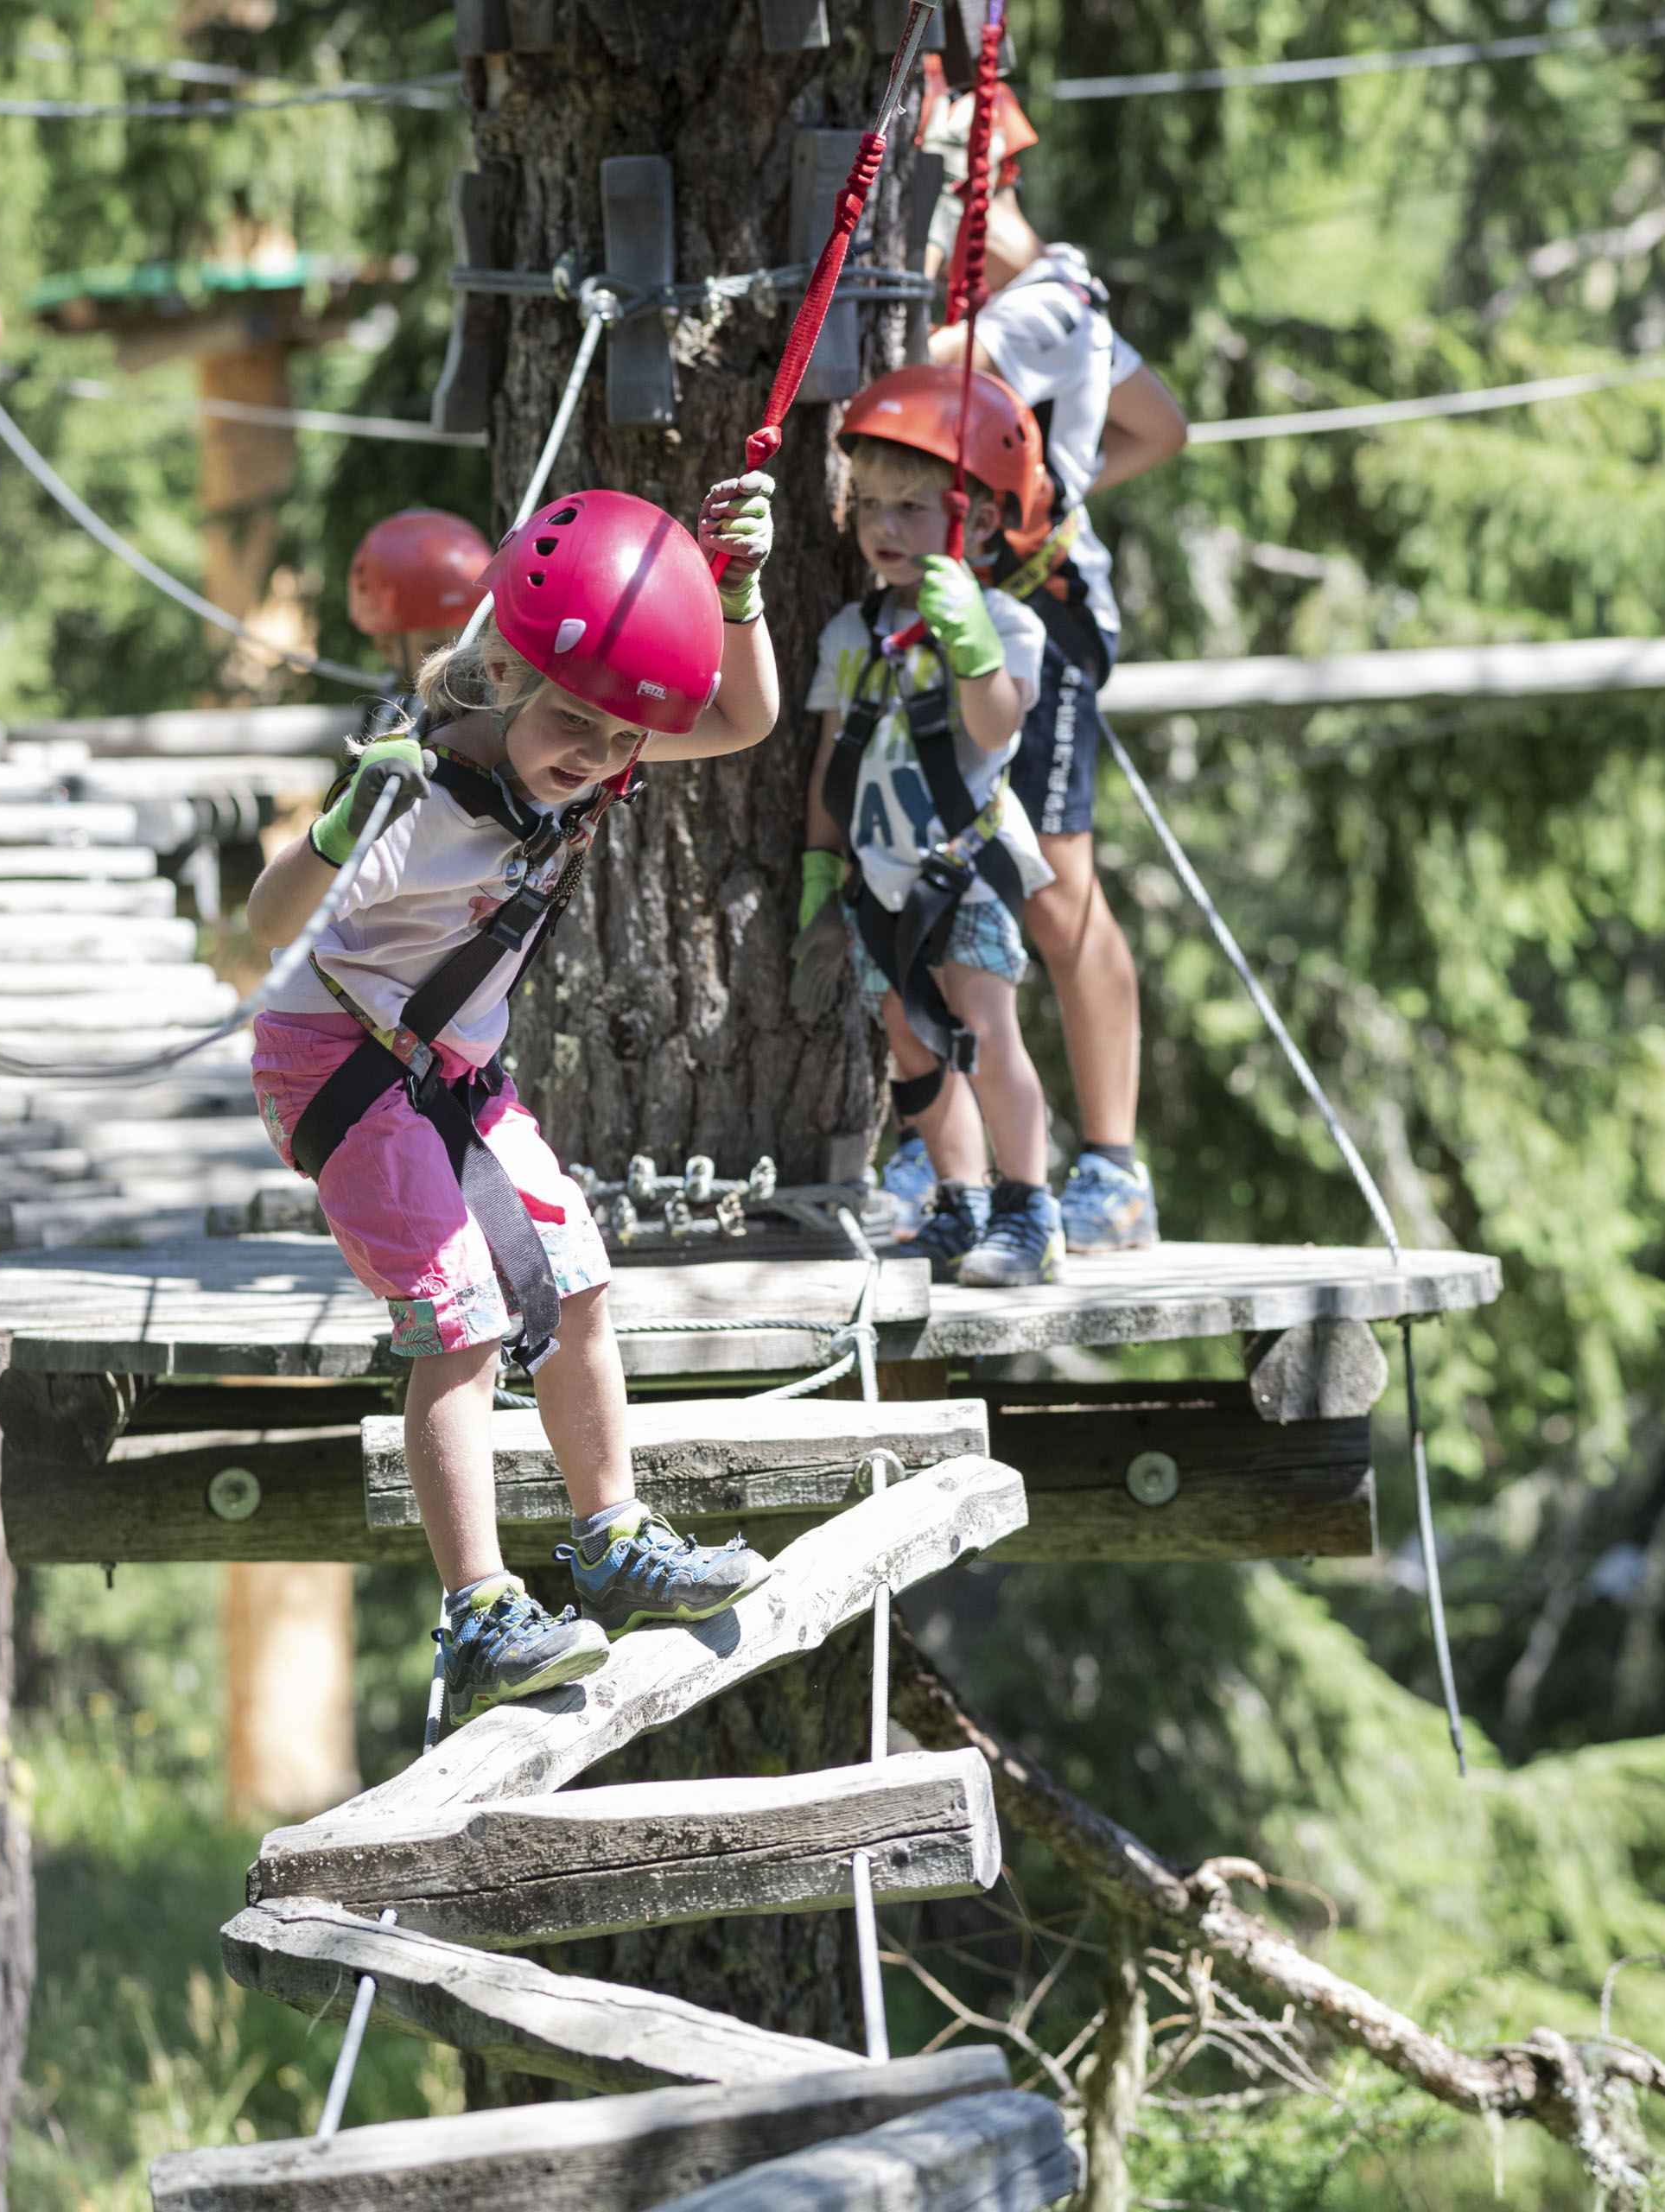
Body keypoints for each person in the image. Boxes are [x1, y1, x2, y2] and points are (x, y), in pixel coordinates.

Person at [243, 479, 784, 1728]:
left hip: (454, 1076)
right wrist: (334, 830)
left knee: (572, 1277)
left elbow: (744, 717)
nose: (595, 759)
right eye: (578, 728)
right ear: (507, 673)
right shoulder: (414, 795)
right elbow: (267, 932)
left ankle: (611, 1539)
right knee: (461, 1317)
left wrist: (737, 592)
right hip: (337, 1062)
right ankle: (480, 1608)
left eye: (622, 743)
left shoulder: (593, 759)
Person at [907, 83, 1192, 1251]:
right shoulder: (1023, 300)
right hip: (970, 621)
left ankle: (1113, 1166)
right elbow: (1158, 425)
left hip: (1043, 622)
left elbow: (899, 380)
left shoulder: (1039, 307)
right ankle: (971, 1145)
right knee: (945, 876)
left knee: (1056, 890)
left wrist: (1049, 507)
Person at [789, 365, 1066, 1288]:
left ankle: (1032, 1208)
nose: (885, 527)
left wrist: (972, 648)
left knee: (982, 1030)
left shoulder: (1003, 623)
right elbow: (835, 755)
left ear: (979, 521)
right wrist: (821, 872)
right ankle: (963, 1198)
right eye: (869, 505)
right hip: (881, 874)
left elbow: (998, 728)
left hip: (965, 864)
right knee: (910, 1038)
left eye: (913, 506)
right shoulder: (849, 633)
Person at [345, 508, 492, 683]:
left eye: (474, 645)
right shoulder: (386, 710)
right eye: (436, 650)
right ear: (387, 648)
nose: (459, 666)